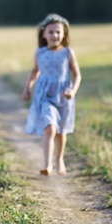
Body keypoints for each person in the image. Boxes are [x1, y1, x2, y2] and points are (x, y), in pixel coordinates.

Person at [22, 13, 81, 176]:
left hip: (63, 97)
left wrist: (72, 91)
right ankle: (47, 165)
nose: (54, 35)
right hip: (45, 96)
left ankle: (59, 160)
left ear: (64, 34)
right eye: (51, 32)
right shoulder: (40, 53)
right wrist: (27, 87)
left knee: (61, 131)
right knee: (50, 128)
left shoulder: (68, 53)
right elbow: (35, 71)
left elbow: (77, 75)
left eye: (58, 32)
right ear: (43, 34)